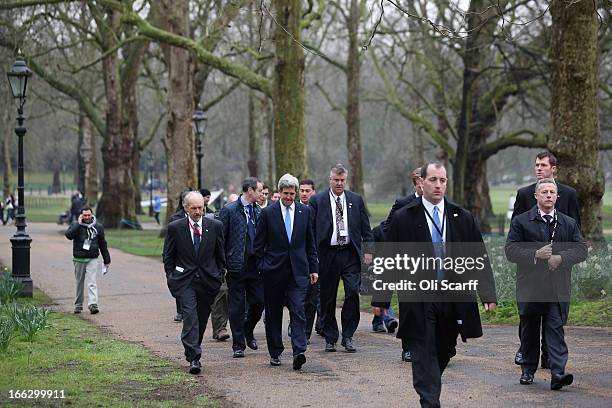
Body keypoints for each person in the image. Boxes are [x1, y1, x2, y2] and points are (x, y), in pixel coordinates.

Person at [386, 161, 497, 407]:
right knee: (423, 349)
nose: (438, 185)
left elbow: (478, 257)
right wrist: (381, 298)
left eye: (442, 180)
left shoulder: (462, 217)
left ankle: (430, 385)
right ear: (421, 182)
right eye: (433, 180)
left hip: (452, 295)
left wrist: (487, 293)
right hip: (419, 296)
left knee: (445, 348)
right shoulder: (404, 217)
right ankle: (430, 401)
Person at [505, 178, 587, 389]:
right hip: (531, 287)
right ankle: (528, 370)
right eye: (545, 192)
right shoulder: (521, 221)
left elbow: (581, 249)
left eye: (552, 192)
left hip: (557, 288)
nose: (549, 195)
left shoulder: (568, 223)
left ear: (557, 196)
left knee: (556, 331)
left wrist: (561, 259)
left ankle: (558, 373)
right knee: (529, 331)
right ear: (536, 196)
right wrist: (536, 254)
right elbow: (511, 251)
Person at [511, 151, 581, 367]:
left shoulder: (568, 194)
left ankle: (549, 355)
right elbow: (516, 231)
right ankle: (526, 350)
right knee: (529, 315)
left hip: (558, 266)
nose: (538, 168)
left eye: (543, 165)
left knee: (555, 315)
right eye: (536, 165)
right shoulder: (524, 194)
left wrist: (563, 257)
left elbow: (576, 229)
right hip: (532, 267)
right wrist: (532, 255)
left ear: (554, 169)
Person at [254, 174, 319, 369]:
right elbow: (258, 245)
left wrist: (313, 268)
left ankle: (299, 350)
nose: (289, 197)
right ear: (279, 192)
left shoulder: (304, 212)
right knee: (273, 314)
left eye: (292, 193)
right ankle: (275, 352)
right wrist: (262, 266)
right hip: (273, 272)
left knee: (298, 310)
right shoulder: (268, 214)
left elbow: (310, 243)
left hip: (298, 271)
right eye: (286, 193)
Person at [309, 163, 373, 353]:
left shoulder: (355, 200)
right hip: (327, 254)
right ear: (330, 180)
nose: (339, 183)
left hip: (350, 253)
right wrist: (313, 257)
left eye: (342, 180)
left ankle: (348, 336)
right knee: (327, 298)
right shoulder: (318, 201)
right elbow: (311, 231)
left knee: (353, 293)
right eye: (336, 180)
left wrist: (368, 250)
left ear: (346, 180)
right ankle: (330, 337)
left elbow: (365, 227)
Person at [163, 191, 226, 375]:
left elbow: (220, 254)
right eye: (194, 208)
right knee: (189, 316)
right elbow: (168, 255)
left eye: (201, 208)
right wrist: (171, 276)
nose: (198, 211)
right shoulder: (176, 227)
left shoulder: (215, 226)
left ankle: (193, 347)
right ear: (186, 207)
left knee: (201, 318)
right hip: (185, 281)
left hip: (208, 281)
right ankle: (194, 357)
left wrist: (219, 275)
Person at [378, 166, 422, 362]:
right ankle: (408, 347)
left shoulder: (439, 205)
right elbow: (388, 228)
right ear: (416, 183)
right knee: (408, 308)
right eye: (422, 180)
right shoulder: (402, 203)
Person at [218, 177, 265, 358]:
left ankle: (248, 329)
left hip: (256, 266)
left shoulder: (259, 212)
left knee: (259, 302)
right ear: (250, 190)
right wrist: (223, 264)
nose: (262, 194)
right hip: (236, 265)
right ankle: (238, 344)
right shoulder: (230, 211)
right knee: (236, 306)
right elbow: (221, 239)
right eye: (259, 191)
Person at [65, 206, 111, 314]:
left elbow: (103, 244)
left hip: (92, 258)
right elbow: (68, 235)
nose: (87, 217)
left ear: (92, 215)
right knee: (79, 283)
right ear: (81, 216)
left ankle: (93, 304)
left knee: (92, 282)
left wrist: (106, 258)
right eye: (84, 215)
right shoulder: (76, 225)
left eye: (88, 215)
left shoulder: (98, 227)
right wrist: (78, 224)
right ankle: (78, 305)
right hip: (79, 258)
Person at [199, 187, 230, 341]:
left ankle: (222, 327)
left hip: (222, 264)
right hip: (200, 268)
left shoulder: (215, 222)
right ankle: (219, 327)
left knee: (223, 293)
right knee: (219, 293)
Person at [298, 179, 321, 340]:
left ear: (313, 192)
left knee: (313, 298)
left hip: (314, 258)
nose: (305, 193)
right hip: (296, 258)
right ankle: (297, 325)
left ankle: (306, 331)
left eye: (308, 191)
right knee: (297, 296)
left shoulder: (319, 209)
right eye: (302, 190)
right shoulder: (294, 209)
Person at [169, 188, 194, 322]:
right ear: (184, 204)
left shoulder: (202, 215)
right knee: (180, 284)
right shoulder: (175, 218)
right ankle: (180, 310)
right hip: (180, 259)